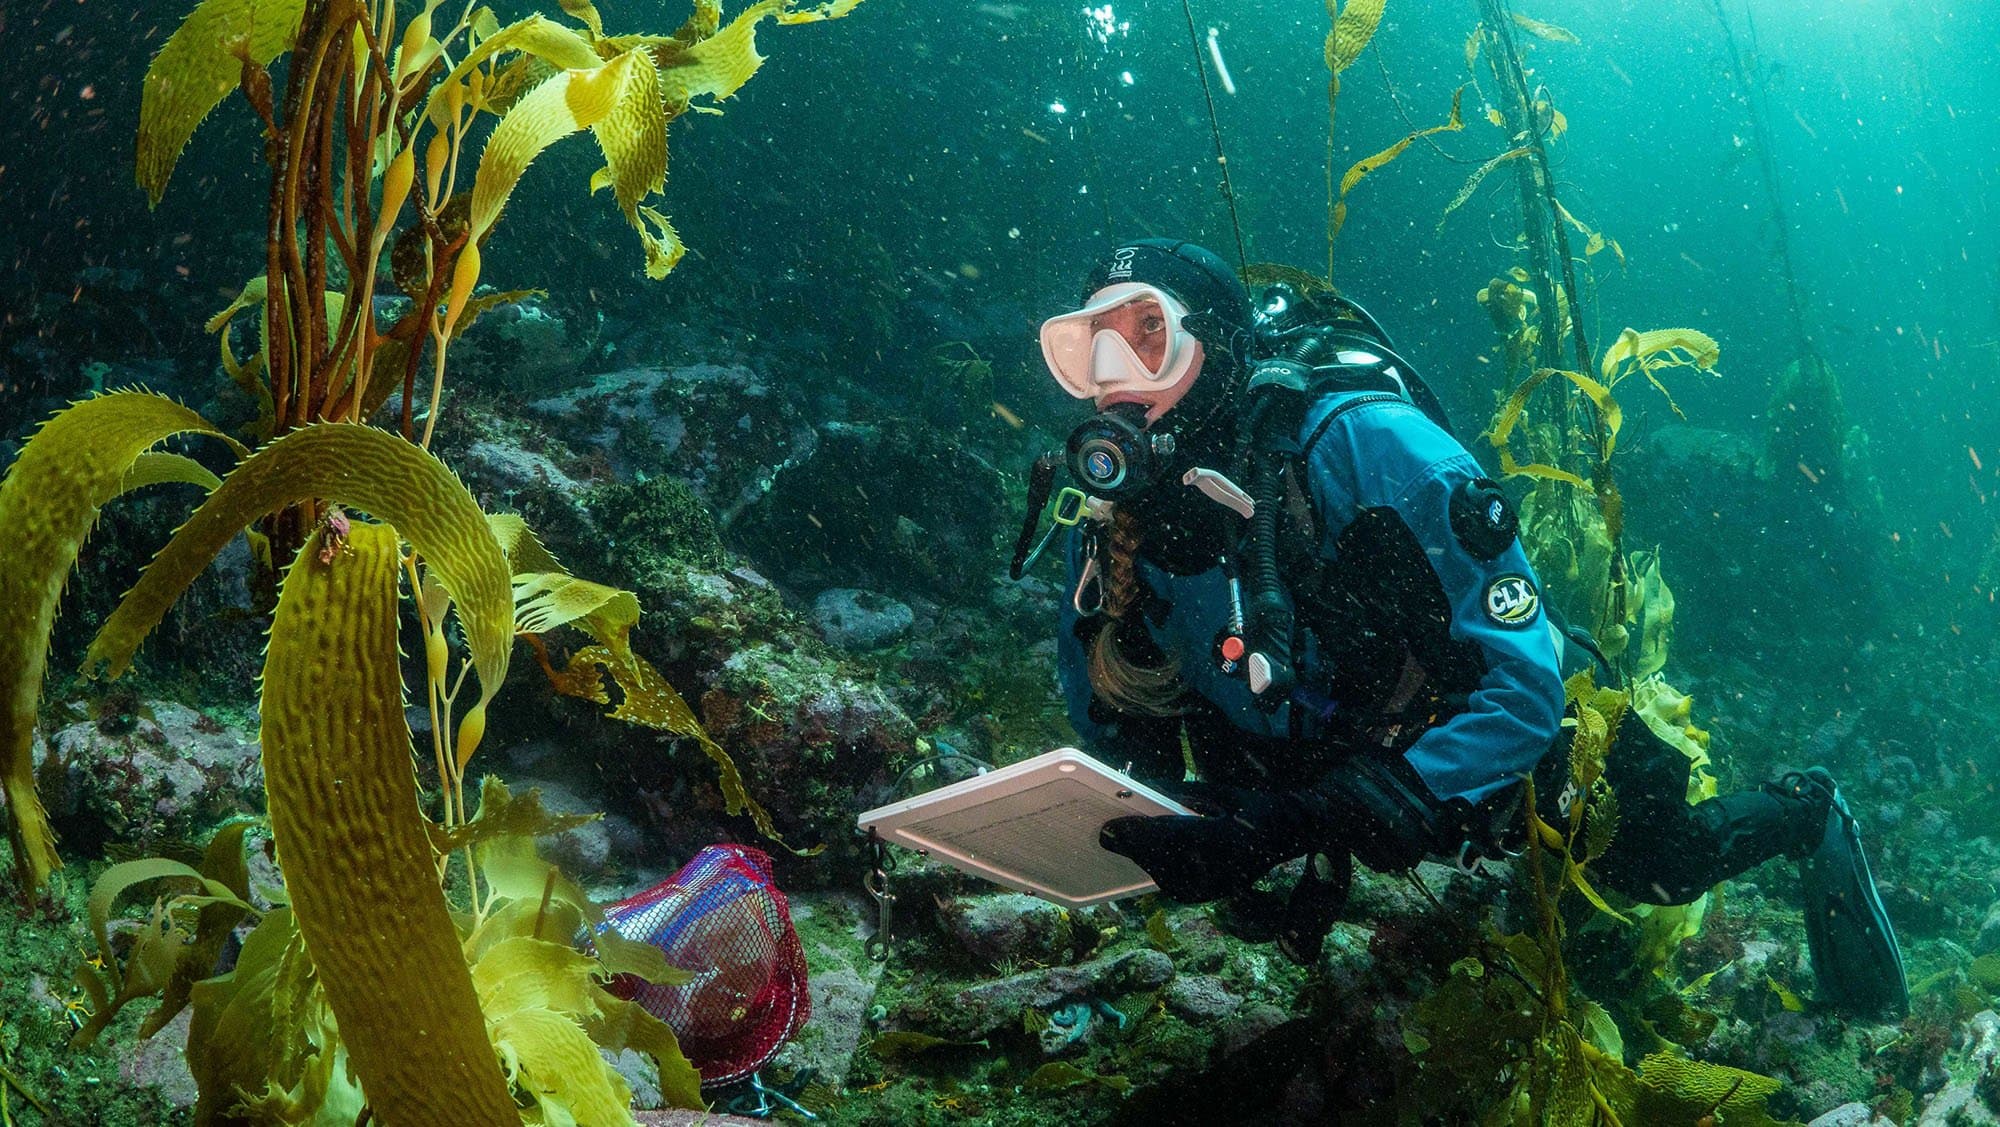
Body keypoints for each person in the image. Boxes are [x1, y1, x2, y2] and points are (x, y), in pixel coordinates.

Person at [1029, 237, 1907, 1017]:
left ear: (1216, 344)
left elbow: (1524, 686)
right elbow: (1113, 704)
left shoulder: (1368, 447)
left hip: (1519, 742)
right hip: (1342, 760)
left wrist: (1300, 822)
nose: (1115, 377)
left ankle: (1808, 812)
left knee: (1655, 867)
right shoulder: (1110, 503)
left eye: (1148, 335)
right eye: (1088, 346)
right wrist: (1195, 824)